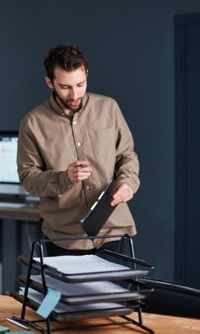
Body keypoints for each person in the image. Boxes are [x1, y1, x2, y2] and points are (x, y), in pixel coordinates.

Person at [17, 44, 139, 255]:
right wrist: (64, 177)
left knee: (120, 290)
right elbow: (28, 177)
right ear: (49, 82)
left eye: (80, 84)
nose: (75, 94)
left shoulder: (108, 108)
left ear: (86, 76)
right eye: (65, 87)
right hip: (64, 241)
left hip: (114, 234)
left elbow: (126, 155)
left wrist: (128, 183)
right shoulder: (32, 123)